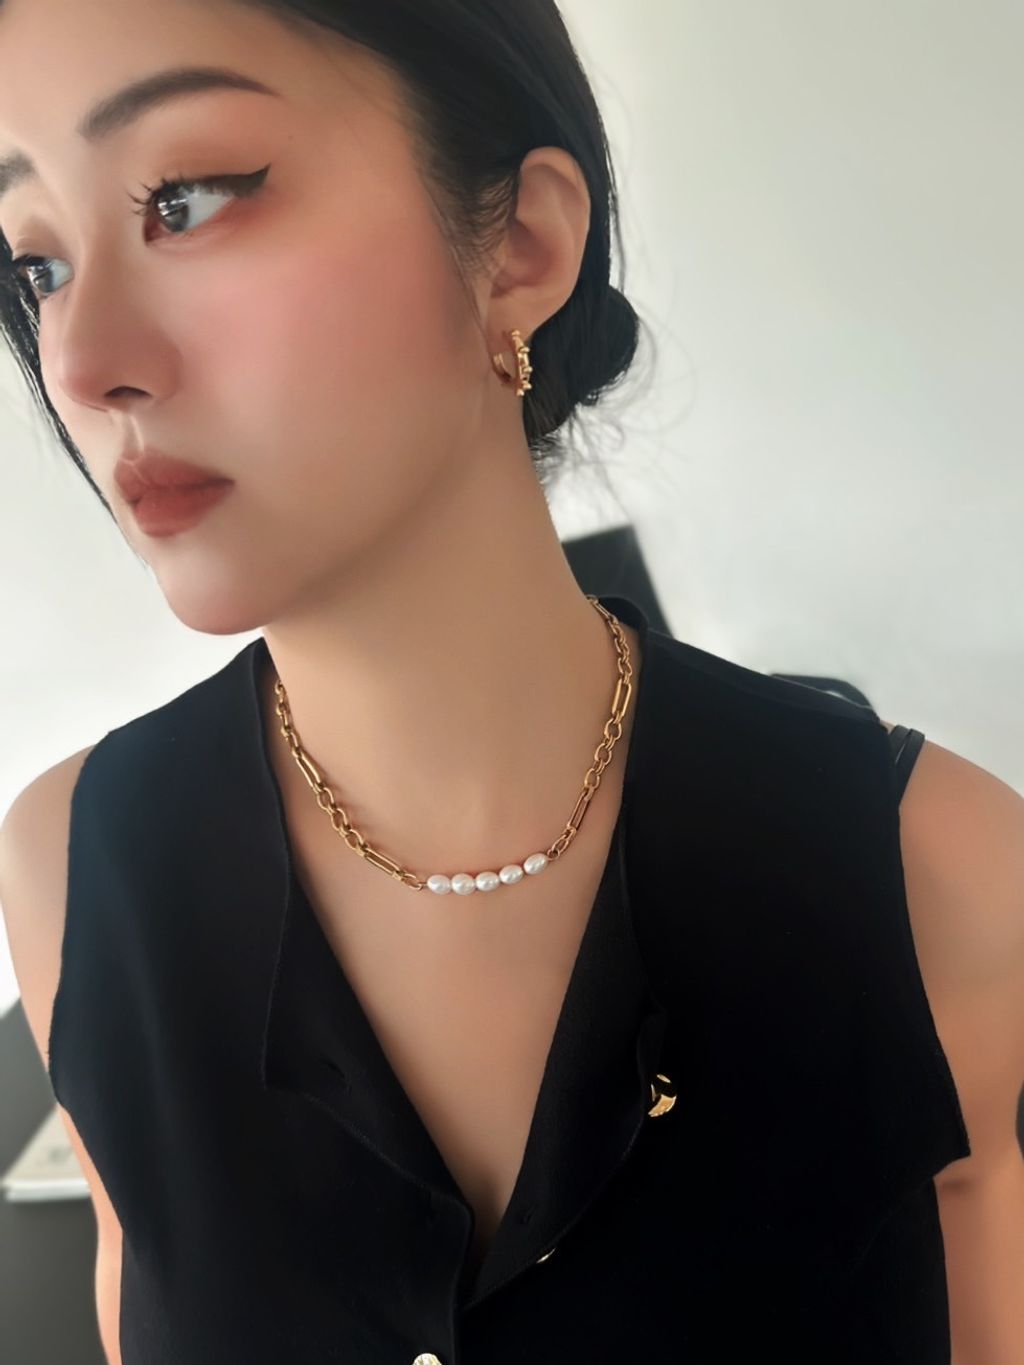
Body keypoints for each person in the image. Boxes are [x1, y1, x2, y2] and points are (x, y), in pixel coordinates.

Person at [0, 2, 1021, 1362]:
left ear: (523, 243)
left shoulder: (935, 876)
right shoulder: (72, 874)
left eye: (185, 200)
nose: (81, 363)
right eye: (38, 262)